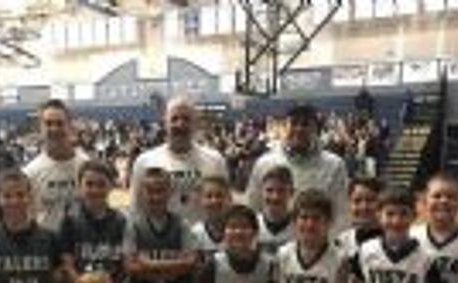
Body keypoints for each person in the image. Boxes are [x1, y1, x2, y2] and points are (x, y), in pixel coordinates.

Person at [246, 104, 349, 232]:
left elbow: (341, 212)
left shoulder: (334, 165)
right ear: (285, 127)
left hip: (317, 238)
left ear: (316, 130)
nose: (299, 129)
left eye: (305, 124)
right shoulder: (265, 163)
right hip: (272, 239)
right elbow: (252, 206)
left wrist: (331, 241)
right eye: (294, 123)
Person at [130, 96, 228, 222]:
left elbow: (226, 204)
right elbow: (136, 208)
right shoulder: (145, 162)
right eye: (174, 119)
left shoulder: (215, 160)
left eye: (186, 119)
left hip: (202, 233)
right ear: (165, 123)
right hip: (162, 234)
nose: (180, 124)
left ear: (195, 123)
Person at [59, 160, 128, 283]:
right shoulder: (70, 220)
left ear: (111, 186)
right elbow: (67, 264)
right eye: (89, 184)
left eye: (101, 184)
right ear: (79, 186)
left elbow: (124, 266)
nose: (95, 190)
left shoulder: (121, 222)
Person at [23, 99, 89, 231]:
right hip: (46, 242)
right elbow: (28, 218)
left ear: (69, 126)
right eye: (48, 123)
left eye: (60, 123)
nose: (54, 128)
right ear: (40, 128)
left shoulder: (86, 165)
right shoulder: (30, 172)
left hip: (81, 240)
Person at [257, 166, 294, 257]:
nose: (275, 197)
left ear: (291, 193)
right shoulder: (252, 224)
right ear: (261, 192)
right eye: (269, 190)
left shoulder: (300, 227)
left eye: (281, 191)